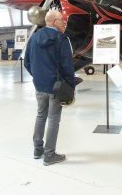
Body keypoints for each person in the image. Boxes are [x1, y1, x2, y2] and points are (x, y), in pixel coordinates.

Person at [24, 9, 75, 166]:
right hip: (56, 86)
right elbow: (67, 66)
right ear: (53, 22)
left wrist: (38, 76)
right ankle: (49, 154)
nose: (64, 23)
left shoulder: (33, 38)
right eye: (62, 20)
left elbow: (27, 62)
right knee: (53, 119)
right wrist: (71, 86)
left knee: (41, 116)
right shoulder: (61, 39)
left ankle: (37, 149)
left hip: (40, 85)